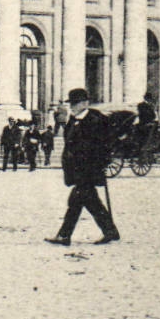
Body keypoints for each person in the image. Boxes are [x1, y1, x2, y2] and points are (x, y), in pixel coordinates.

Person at [46, 88, 120, 246]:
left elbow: (106, 145)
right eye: (71, 103)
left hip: (89, 170)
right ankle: (110, 231)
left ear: (85, 103)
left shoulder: (96, 120)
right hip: (76, 170)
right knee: (88, 202)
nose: (72, 106)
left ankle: (64, 236)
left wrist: (101, 163)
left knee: (76, 201)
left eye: (76, 103)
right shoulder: (72, 120)